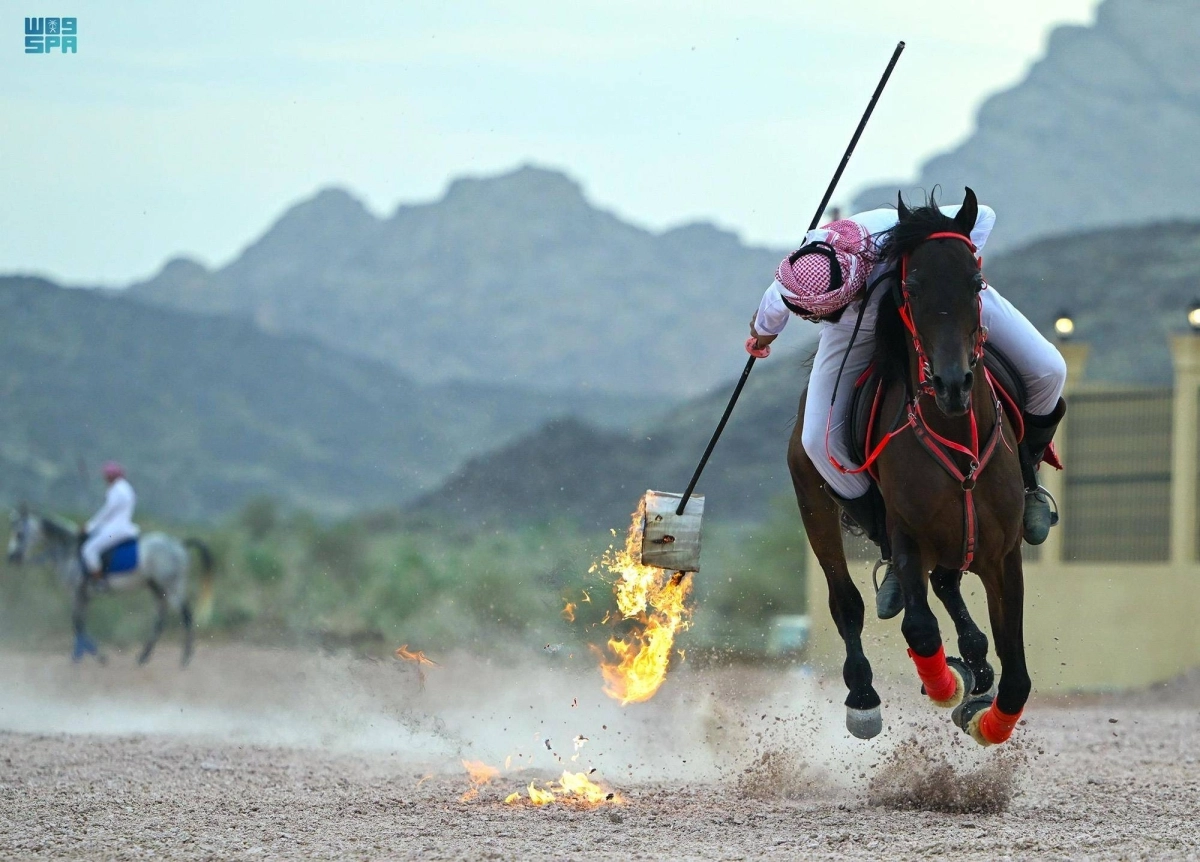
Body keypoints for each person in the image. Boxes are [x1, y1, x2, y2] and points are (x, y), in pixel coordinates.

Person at [748, 199, 1066, 619]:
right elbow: (772, 308)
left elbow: (985, 213)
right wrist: (761, 337)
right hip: (853, 328)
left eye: (823, 313)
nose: (815, 320)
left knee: (1050, 370)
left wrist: (957, 262)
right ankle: (890, 541)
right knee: (815, 442)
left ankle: (1027, 482)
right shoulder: (801, 271)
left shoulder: (884, 234)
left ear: (854, 282)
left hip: (944, 294)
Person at [80, 461, 140, 580]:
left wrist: (89, 526)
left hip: (116, 530)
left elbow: (107, 512)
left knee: (89, 549)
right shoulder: (126, 487)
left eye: (107, 476)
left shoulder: (117, 490)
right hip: (121, 527)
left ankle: (98, 580)